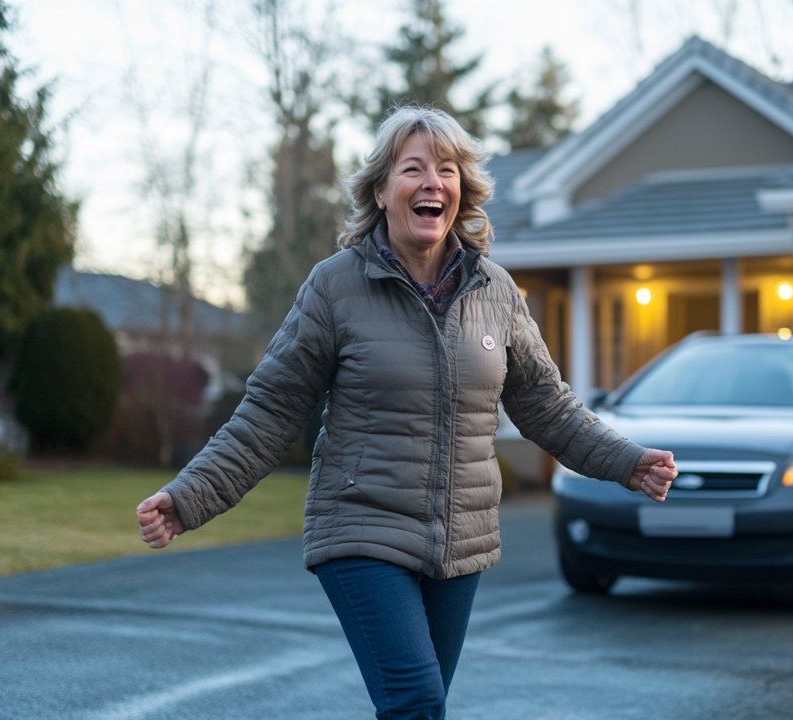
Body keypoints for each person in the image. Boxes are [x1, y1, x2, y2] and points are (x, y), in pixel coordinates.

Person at [136, 105, 677, 720]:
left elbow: (546, 405)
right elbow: (270, 410)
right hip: (360, 528)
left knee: (417, 707)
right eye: (412, 169)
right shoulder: (335, 287)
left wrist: (626, 462)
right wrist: (190, 498)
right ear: (381, 191)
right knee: (417, 702)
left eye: (446, 170)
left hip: (459, 542)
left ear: (461, 192)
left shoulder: (495, 293)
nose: (432, 182)